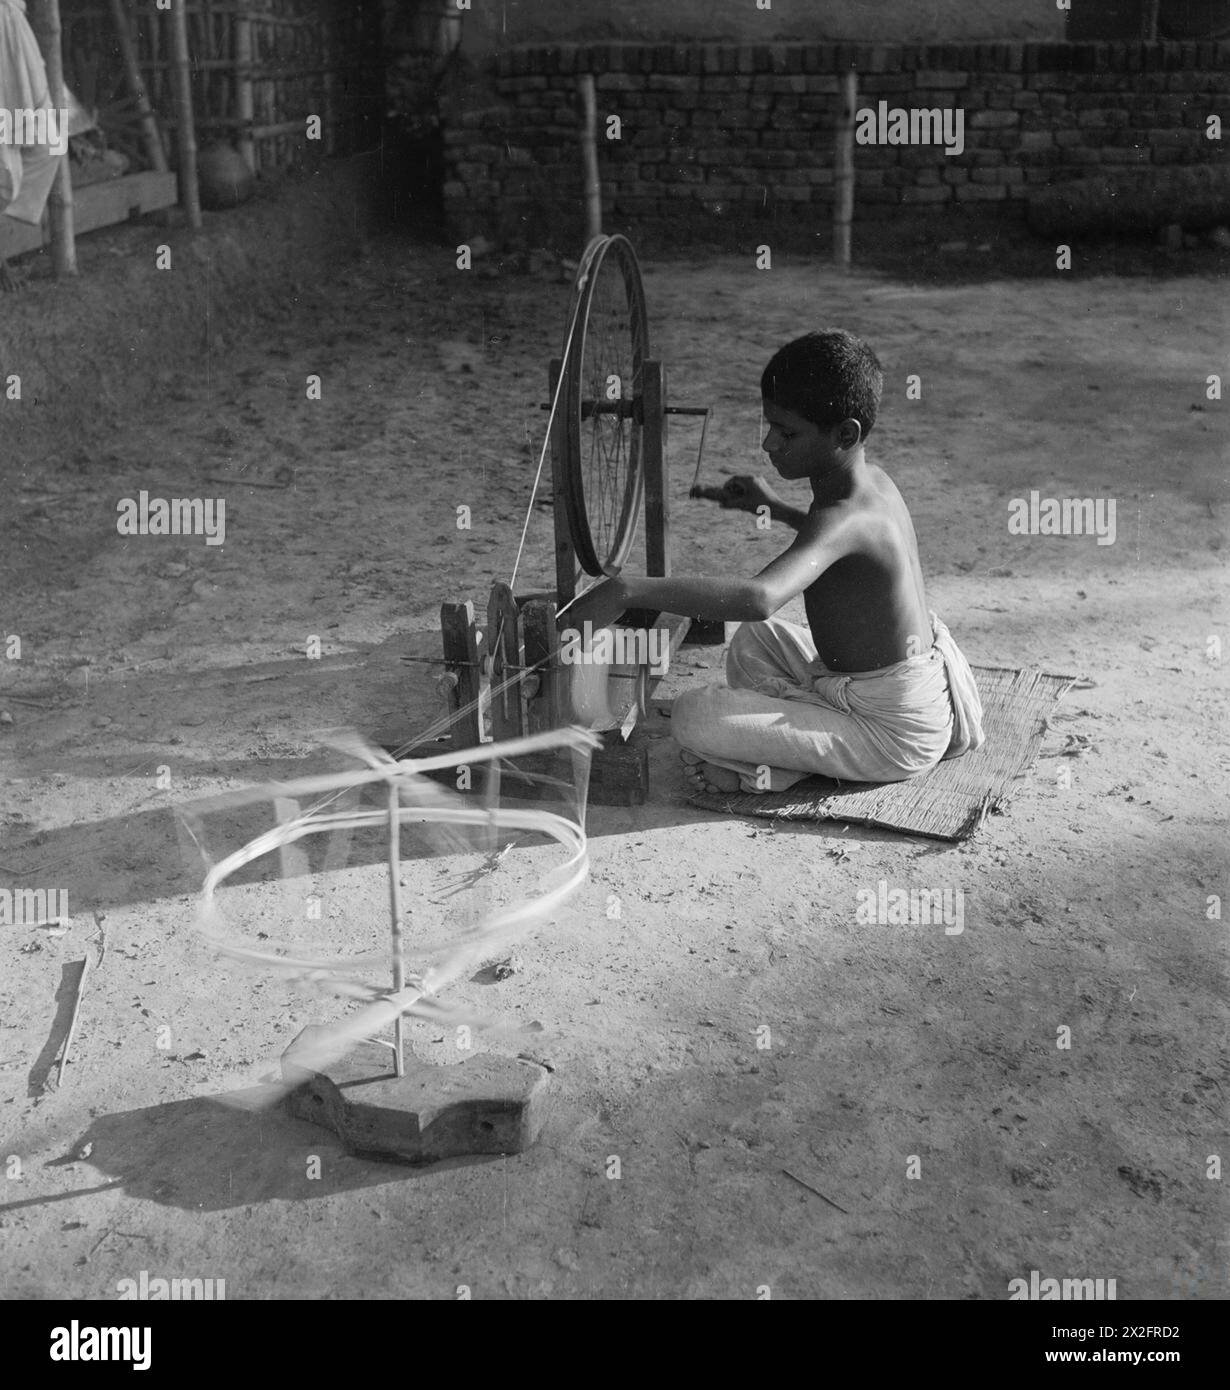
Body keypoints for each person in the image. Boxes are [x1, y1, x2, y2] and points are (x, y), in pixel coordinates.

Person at [564, 328, 984, 795]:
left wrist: (628, 589)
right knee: (753, 641)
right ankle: (789, 749)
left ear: (846, 433)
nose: (768, 444)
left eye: (786, 432)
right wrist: (775, 508)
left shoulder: (843, 518)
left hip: (891, 730)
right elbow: (838, 549)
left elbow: (760, 598)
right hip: (873, 686)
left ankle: (781, 766)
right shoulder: (873, 484)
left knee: (693, 715)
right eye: (769, 425)